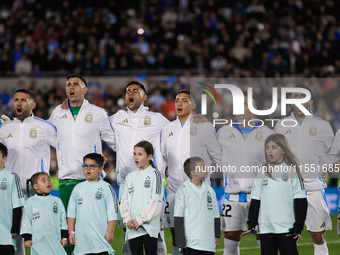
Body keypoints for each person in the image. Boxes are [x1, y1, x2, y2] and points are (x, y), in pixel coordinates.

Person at [49, 74, 116, 254]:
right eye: (68, 84)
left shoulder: (98, 113)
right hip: (66, 180)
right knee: (67, 233)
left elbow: (114, 141)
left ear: (84, 89)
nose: (71, 87)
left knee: (93, 232)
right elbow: (45, 134)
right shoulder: (58, 112)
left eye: (76, 84)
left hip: (91, 181)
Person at [110, 80, 169, 255]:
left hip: (151, 182)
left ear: (144, 97)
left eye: (135, 91)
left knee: (156, 230)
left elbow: (174, 133)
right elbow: (95, 125)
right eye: (128, 91)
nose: (130, 93)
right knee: (127, 230)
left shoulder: (157, 119)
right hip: (125, 182)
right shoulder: (116, 118)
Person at [275, 85, 333, 255]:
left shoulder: (322, 126)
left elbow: (331, 153)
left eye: (303, 95)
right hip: (288, 188)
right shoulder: (280, 125)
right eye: (295, 96)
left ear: (310, 101)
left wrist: (325, 169)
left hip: (313, 186)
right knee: (287, 235)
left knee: (317, 235)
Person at [161, 90, 221, 255]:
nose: (179, 103)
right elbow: (163, 158)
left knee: (200, 232)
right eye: (177, 100)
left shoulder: (204, 126)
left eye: (184, 101)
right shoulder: (167, 128)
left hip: (199, 188)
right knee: (175, 232)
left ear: (193, 105)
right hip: (174, 187)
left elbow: (217, 155)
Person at [0, 88, 56, 255]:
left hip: (35, 190)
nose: (18, 102)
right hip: (11, 190)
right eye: (16, 99)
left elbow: (64, 148)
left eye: (23, 100)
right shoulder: (5, 129)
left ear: (33, 105)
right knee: (14, 235)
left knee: (40, 236)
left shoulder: (45, 127)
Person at [216, 95, 273, 255]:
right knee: (230, 244)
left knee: (266, 243)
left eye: (246, 104)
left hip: (260, 196)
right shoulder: (224, 132)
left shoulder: (267, 132)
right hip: (232, 197)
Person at [242, 134, 307, 255]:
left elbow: (301, 200)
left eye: (274, 147)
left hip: (286, 227)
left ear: (283, 150)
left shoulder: (291, 170)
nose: (270, 151)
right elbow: (256, 198)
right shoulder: (262, 171)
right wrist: (252, 223)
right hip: (265, 228)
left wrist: (298, 226)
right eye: (267, 147)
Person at [67, 153, 118, 255]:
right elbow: (71, 212)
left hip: (100, 241)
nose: (88, 169)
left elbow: (113, 211)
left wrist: (110, 232)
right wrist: (71, 232)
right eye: (85, 166)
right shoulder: (78, 188)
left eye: (92, 166)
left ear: (100, 169)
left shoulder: (106, 187)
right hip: (81, 244)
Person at [120, 141, 163, 255]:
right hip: (133, 227)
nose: (136, 157)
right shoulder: (130, 177)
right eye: (134, 154)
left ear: (149, 156)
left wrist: (140, 220)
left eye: (140, 154)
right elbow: (124, 200)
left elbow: (156, 201)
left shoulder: (156, 175)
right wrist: (127, 219)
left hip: (148, 228)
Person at [174, 157, 220, 255]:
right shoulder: (183, 189)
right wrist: (180, 240)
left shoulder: (210, 190)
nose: (206, 169)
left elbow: (215, 215)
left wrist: (217, 235)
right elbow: (178, 216)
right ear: (193, 172)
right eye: (202, 167)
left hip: (208, 244)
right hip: (190, 244)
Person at [20, 172, 67, 255]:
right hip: (37, 244)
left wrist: (64, 237)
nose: (48, 182)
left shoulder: (57, 201)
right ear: (35, 186)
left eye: (48, 179)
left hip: (55, 242)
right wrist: (27, 238)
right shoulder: (30, 202)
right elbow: (26, 220)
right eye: (43, 180)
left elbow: (63, 220)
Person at [0, 143, 25, 255]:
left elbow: (18, 204)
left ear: (4, 159)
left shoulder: (12, 177)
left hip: (5, 236)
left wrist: (15, 227)